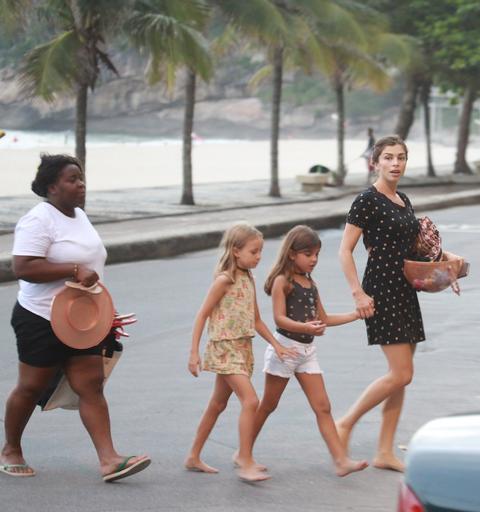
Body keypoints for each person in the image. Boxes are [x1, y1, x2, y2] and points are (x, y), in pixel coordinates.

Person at [2, 154, 150, 482]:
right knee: (30, 387)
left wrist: (103, 310)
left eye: (81, 178)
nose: (81, 184)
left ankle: (109, 460)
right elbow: (23, 267)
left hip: (82, 319)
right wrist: (73, 269)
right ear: (52, 186)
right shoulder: (38, 219)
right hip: (39, 317)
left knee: (91, 385)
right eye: (72, 179)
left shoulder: (79, 216)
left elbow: (91, 267)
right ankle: (11, 448)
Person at [335, 135, 424, 473]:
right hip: (382, 290)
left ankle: (385, 451)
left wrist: (448, 264)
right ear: (375, 162)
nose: (395, 163)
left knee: (401, 377)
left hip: (406, 289)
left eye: (401, 157)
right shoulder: (366, 200)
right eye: (388, 157)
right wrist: (358, 293)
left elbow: (414, 248)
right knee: (401, 372)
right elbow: (345, 250)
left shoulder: (403, 199)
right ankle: (345, 423)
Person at [250, 225, 368, 477]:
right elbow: (279, 319)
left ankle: (340, 460)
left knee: (323, 407)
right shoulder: (284, 281)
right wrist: (305, 326)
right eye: (308, 254)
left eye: (316, 254)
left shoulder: (311, 283)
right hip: (285, 351)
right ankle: (243, 452)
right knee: (268, 405)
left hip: (306, 353)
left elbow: (323, 318)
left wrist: (355, 315)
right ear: (292, 254)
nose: (314, 259)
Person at [185, 222, 296, 482]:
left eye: (260, 252)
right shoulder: (225, 280)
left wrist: (276, 344)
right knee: (251, 401)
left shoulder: (248, 278)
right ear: (236, 251)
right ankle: (244, 459)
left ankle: (193, 455)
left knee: (218, 403)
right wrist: (194, 353)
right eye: (253, 252)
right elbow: (202, 315)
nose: (258, 257)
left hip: (242, 347)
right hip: (225, 347)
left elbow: (256, 320)